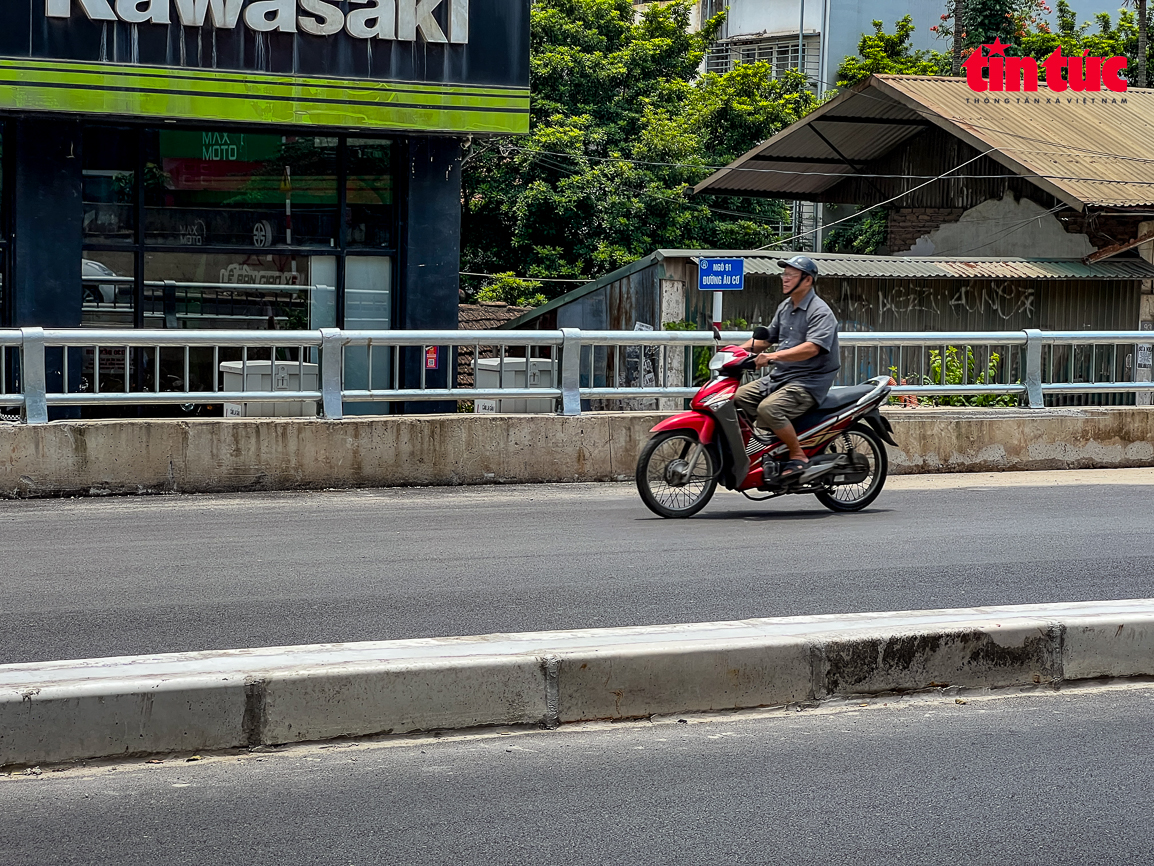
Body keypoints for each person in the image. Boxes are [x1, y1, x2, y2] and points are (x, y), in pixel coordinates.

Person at [733, 255, 840, 481]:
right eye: (784, 274)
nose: (785, 279)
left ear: (807, 280)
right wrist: (735, 351)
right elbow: (767, 339)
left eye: (791, 275)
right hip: (782, 377)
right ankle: (761, 449)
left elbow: (812, 348)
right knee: (738, 397)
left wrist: (772, 357)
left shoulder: (820, 311)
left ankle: (797, 454)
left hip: (807, 382)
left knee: (769, 409)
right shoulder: (785, 307)